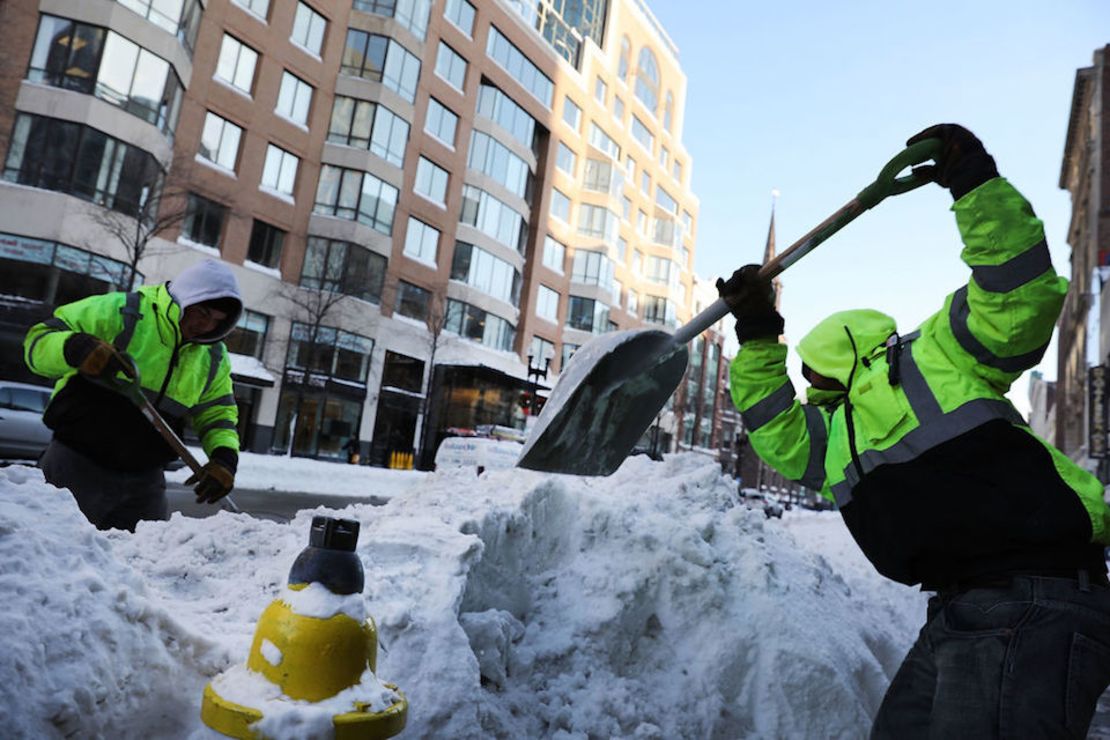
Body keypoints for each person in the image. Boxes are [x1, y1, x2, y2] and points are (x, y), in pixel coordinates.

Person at [718, 124, 1110, 737]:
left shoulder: (935, 354)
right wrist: (759, 334)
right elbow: (776, 432)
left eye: (812, 372)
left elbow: (1018, 298)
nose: (808, 384)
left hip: (1032, 594)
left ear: (842, 353)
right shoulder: (840, 435)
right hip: (962, 604)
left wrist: (972, 183)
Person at [24, 259, 243, 531]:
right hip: (75, 462)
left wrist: (224, 459)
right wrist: (75, 348)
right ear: (184, 298)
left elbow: (218, 415)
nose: (205, 326)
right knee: (50, 545)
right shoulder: (124, 311)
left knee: (142, 562)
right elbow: (38, 342)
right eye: (202, 312)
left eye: (217, 321)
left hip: (145, 481)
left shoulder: (213, 357)